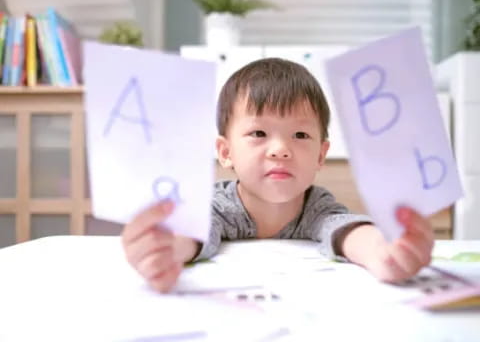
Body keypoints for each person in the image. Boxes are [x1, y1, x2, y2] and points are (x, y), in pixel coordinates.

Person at [122, 58, 434, 293]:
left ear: (320, 155)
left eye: (300, 135)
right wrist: (164, 250)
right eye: (258, 132)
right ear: (226, 151)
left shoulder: (318, 208)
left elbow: (348, 231)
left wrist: (384, 252)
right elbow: (193, 232)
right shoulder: (216, 206)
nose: (281, 149)